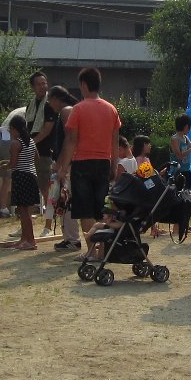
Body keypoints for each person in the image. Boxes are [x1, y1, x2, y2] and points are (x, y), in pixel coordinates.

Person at [56, 66, 122, 259]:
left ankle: (91, 251)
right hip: (103, 163)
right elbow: (115, 141)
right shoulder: (111, 109)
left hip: (82, 164)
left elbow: (71, 141)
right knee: (101, 210)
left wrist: (63, 168)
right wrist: (114, 165)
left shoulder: (78, 109)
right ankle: (102, 251)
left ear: (83, 85)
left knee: (85, 210)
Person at [45, 86, 80, 248]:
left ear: (56, 98)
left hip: (69, 163)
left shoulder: (66, 111)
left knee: (66, 200)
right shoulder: (69, 110)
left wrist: (60, 164)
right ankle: (69, 237)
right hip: (69, 162)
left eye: (50, 100)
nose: (49, 103)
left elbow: (69, 140)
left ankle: (72, 239)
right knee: (64, 200)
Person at [24, 72, 56, 230]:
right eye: (39, 84)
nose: (43, 86)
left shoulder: (49, 104)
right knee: (29, 188)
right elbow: (27, 127)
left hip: (45, 152)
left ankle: (49, 225)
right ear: (32, 87)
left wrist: (31, 142)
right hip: (31, 152)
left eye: (44, 83)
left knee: (46, 189)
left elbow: (47, 129)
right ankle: (26, 225)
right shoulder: (30, 105)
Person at [6, 113, 41, 250]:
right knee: (25, 210)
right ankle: (24, 239)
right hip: (31, 176)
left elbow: (13, 164)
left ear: (15, 129)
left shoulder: (16, 143)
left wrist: (5, 165)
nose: (10, 132)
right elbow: (37, 158)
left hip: (21, 176)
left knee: (24, 212)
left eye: (10, 129)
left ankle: (30, 240)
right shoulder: (31, 141)